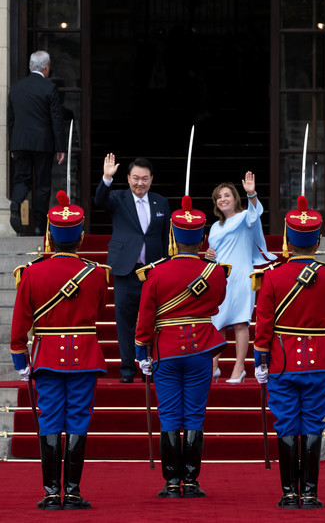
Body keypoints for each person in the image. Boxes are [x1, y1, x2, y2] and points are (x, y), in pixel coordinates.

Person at [9, 191, 112, 510]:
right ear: (81, 236)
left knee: (50, 419)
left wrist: (19, 357)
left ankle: (52, 492)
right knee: (79, 420)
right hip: (84, 354)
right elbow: (100, 308)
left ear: (50, 236)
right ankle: (74, 490)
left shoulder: (31, 272)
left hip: (47, 355)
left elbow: (20, 322)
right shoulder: (96, 273)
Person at [252, 197, 325, 509]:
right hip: (318, 359)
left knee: (286, 423)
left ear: (288, 241)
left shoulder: (272, 276)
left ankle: (289, 493)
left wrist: (260, 360)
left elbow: (263, 322)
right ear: (318, 241)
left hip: (283, 360)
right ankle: (310, 492)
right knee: (314, 423)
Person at [134, 200, 228, 499]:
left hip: (167, 349)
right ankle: (191, 480)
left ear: (173, 235)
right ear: (202, 238)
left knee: (170, 415)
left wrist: (141, 354)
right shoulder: (214, 272)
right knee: (195, 416)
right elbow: (217, 304)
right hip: (201, 348)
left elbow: (145, 317)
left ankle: (172, 482)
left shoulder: (156, 273)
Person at [95, 153, 170, 382]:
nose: (140, 183)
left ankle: (150, 368)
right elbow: (99, 201)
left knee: (153, 322)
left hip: (152, 272)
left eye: (145, 178)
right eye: (136, 178)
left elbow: (165, 237)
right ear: (128, 178)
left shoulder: (161, 202)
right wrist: (107, 178)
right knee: (125, 323)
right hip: (126, 271)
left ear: (151, 179)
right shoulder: (117, 197)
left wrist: (166, 266)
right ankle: (127, 369)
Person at [204, 173, 274, 383]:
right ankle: (214, 366)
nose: (223, 199)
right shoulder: (216, 226)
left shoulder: (245, 218)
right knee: (217, 323)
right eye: (219, 197)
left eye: (227, 195)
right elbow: (215, 250)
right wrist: (209, 254)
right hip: (220, 277)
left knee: (240, 323)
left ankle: (239, 367)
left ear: (235, 198)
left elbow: (255, 214)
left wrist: (251, 193)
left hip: (241, 277)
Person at [7, 50, 66, 237]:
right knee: (42, 184)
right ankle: (39, 226)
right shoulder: (49, 88)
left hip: (20, 143)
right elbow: (56, 119)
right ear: (46, 67)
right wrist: (60, 147)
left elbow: (11, 119)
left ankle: (16, 202)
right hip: (43, 144)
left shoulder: (16, 88)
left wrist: (12, 144)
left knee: (21, 179)